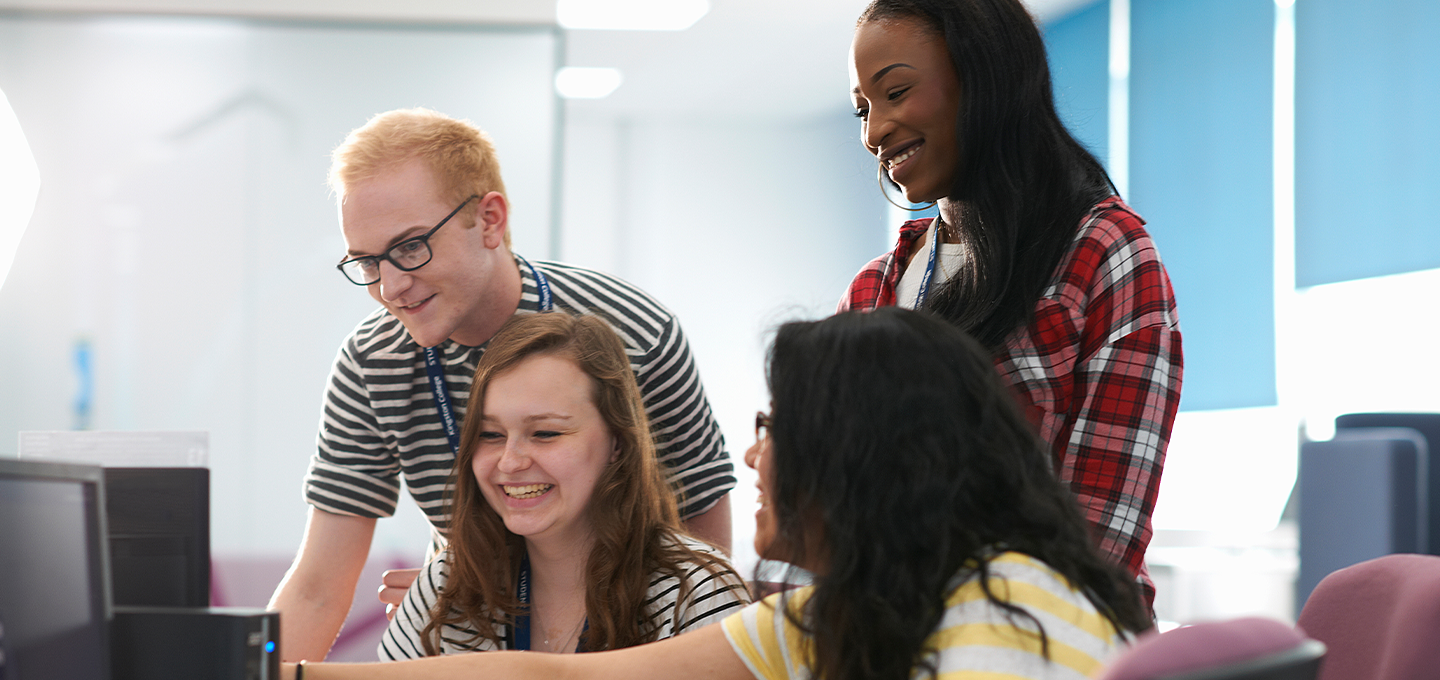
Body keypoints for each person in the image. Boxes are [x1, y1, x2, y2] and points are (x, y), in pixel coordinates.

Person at [281, 307, 1153, 680]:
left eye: (776, 428)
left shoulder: (1003, 618)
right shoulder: (857, 610)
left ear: (858, 456)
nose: (751, 455)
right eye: (492, 434)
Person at [268, 108, 736, 662]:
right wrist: (461, 593)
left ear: (489, 219)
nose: (390, 287)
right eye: (367, 262)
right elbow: (319, 586)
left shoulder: (633, 331)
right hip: (483, 628)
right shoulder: (374, 361)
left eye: (411, 247)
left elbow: (701, 538)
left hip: (629, 634)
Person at [838, 0, 1183, 609]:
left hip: (1050, 640)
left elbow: (1099, 535)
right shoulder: (873, 293)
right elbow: (834, 510)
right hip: (890, 635)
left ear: (985, 73)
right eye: (863, 110)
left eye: (895, 93)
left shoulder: (1104, 255)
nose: (874, 133)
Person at [380, 313, 749, 659]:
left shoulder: (698, 592)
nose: (510, 461)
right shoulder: (447, 581)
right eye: (490, 434)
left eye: (545, 433)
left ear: (617, 442)